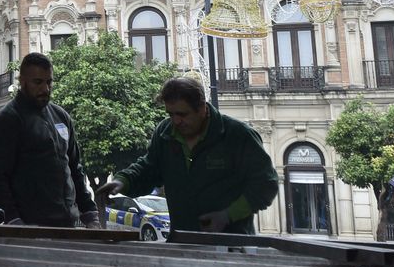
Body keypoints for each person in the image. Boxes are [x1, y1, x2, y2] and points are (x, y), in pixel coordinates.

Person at [0, 52, 99, 267]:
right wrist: (15, 219)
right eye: (37, 82)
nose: (45, 88)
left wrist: (89, 214)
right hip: (32, 230)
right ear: (21, 81)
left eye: (48, 82)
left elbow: (76, 168)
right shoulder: (7, 120)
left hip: (66, 230)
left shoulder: (62, 117)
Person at [94, 76, 278, 234]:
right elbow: (149, 168)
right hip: (181, 240)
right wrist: (122, 181)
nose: (175, 121)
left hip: (231, 243)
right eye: (170, 114)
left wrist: (228, 216)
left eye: (182, 114)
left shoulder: (238, 135)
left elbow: (265, 185)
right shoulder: (164, 133)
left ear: (202, 107)